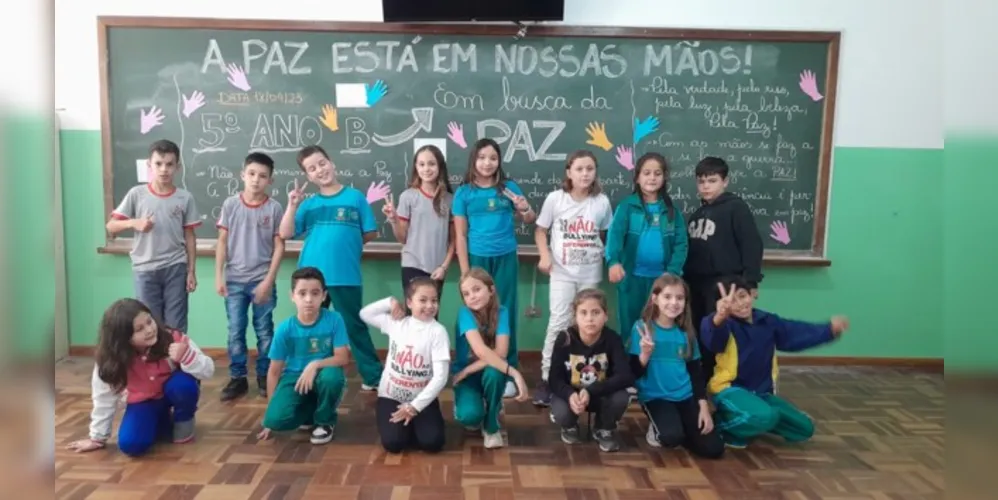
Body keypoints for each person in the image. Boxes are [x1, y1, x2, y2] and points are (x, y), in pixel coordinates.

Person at [278, 145, 383, 391]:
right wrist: (293, 204)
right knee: (311, 327)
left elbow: (369, 233)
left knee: (354, 326)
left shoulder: (355, 197)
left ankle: (373, 377)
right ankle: (308, 373)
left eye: (322, 163)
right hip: (311, 279)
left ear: (332, 162)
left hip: (346, 275)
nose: (320, 170)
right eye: (312, 169)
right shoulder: (308, 204)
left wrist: (344, 245)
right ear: (308, 176)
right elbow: (285, 233)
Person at [701, 277, 850, 448]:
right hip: (730, 390)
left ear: (753, 294)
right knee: (765, 416)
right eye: (731, 301)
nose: (740, 304)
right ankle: (722, 427)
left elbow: (795, 333)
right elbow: (711, 337)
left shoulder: (768, 321)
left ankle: (758, 420)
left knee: (804, 429)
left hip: (762, 393)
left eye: (742, 296)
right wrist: (719, 316)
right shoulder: (726, 324)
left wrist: (828, 330)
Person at [65, 298, 214, 457]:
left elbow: (208, 370)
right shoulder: (110, 361)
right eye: (139, 329)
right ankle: (161, 422)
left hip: (173, 391)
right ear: (123, 337)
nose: (149, 330)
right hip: (144, 401)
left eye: (149, 322)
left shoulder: (174, 338)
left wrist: (188, 357)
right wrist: (97, 437)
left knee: (182, 386)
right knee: (131, 445)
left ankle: (184, 422)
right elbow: (103, 398)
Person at [453, 138, 536, 398]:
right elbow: (461, 235)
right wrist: (466, 273)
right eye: (481, 158)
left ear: (499, 161)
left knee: (505, 310)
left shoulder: (508, 188)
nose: (487, 163)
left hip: (505, 257)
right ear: (473, 161)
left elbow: (530, 218)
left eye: (493, 158)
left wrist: (525, 209)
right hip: (478, 259)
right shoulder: (464, 193)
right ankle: (471, 364)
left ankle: (505, 367)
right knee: (475, 311)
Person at [532, 150, 613, 407]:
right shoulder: (556, 199)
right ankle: (547, 378)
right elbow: (540, 231)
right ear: (569, 172)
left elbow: (606, 235)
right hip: (562, 272)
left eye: (590, 169)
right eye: (579, 169)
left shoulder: (601, 202)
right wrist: (544, 256)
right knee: (559, 322)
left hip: (590, 273)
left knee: (589, 324)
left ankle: (582, 376)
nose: (585, 174)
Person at [106, 139, 201, 332]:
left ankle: (174, 363)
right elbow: (111, 226)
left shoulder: (185, 198)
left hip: (176, 268)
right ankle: (154, 362)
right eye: (158, 164)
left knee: (176, 325)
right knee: (150, 325)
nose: (164, 169)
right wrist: (135, 223)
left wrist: (191, 270)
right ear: (150, 165)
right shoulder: (137, 194)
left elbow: (190, 236)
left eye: (169, 164)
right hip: (145, 269)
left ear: (178, 167)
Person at [683, 156, 764, 377]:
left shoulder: (736, 208)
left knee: (722, 333)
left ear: (725, 181)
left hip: (724, 283)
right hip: (696, 284)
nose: (706, 186)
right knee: (702, 331)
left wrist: (751, 281)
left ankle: (725, 379)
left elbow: (751, 244)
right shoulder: (697, 214)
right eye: (701, 181)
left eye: (712, 180)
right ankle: (705, 376)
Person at [629, 273, 724, 459]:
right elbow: (634, 373)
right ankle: (662, 428)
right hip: (656, 397)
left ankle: (685, 430)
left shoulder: (686, 333)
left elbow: (696, 372)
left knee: (713, 448)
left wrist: (703, 406)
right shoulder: (641, 328)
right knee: (671, 437)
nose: (674, 303)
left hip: (685, 396)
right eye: (667, 296)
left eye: (679, 298)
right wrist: (645, 354)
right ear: (655, 299)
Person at [215, 152, 285, 401]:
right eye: (252, 174)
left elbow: (279, 246)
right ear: (243, 175)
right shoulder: (231, 205)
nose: (256, 180)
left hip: (261, 280)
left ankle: (266, 376)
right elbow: (222, 241)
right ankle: (238, 378)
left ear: (270, 180)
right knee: (235, 330)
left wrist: (268, 280)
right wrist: (218, 276)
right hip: (234, 280)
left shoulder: (275, 208)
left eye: (263, 176)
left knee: (265, 331)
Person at [257, 267, 350, 445]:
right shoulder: (285, 329)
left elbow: (343, 358)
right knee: (275, 420)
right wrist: (271, 411)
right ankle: (310, 410)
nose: (308, 299)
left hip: (323, 373)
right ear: (292, 296)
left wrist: (314, 365)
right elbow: (274, 372)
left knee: (332, 378)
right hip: (294, 378)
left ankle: (325, 421)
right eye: (302, 293)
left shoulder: (334, 319)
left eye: (315, 293)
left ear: (323, 296)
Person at [359, 277, 450, 454]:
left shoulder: (438, 332)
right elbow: (365, 314)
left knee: (433, 443)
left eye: (434, 300)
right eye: (422, 300)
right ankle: (402, 426)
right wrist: (390, 302)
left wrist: (415, 407)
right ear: (409, 302)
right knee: (393, 444)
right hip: (391, 396)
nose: (430, 306)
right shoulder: (397, 323)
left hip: (422, 398)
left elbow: (441, 377)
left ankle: (419, 423)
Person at [605, 152, 688, 347]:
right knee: (631, 325)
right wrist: (614, 261)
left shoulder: (671, 211)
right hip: (632, 279)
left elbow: (681, 244)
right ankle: (631, 370)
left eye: (657, 173)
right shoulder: (627, 207)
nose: (652, 178)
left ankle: (655, 368)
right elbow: (614, 237)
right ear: (637, 177)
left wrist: (672, 274)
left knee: (660, 325)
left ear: (664, 177)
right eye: (647, 173)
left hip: (662, 283)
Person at [451, 268, 530, 449]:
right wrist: (514, 373)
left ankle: (491, 425)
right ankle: (473, 404)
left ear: (491, 290)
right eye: (466, 293)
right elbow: (480, 350)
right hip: (468, 379)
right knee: (470, 418)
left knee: (495, 371)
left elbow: (501, 352)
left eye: (477, 289)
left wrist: (468, 369)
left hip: (477, 371)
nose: (472, 296)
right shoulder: (465, 313)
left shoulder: (502, 312)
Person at [548, 288, 634, 452]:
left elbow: (625, 376)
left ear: (605, 315)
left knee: (621, 397)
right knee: (562, 412)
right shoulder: (564, 339)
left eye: (596, 312)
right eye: (584, 313)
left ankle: (604, 427)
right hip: (572, 397)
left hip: (600, 395)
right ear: (575, 316)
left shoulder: (612, 339)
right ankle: (569, 426)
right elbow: (554, 379)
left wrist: (591, 391)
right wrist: (569, 394)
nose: (590, 319)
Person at [383, 144, 454, 308]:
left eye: (431, 164)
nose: (426, 169)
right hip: (412, 264)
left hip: (437, 268)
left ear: (440, 167)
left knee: (431, 314)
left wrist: (444, 267)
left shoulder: (450, 199)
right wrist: (394, 219)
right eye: (421, 164)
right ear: (416, 167)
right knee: (414, 315)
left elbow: (454, 240)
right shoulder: (408, 196)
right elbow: (402, 238)